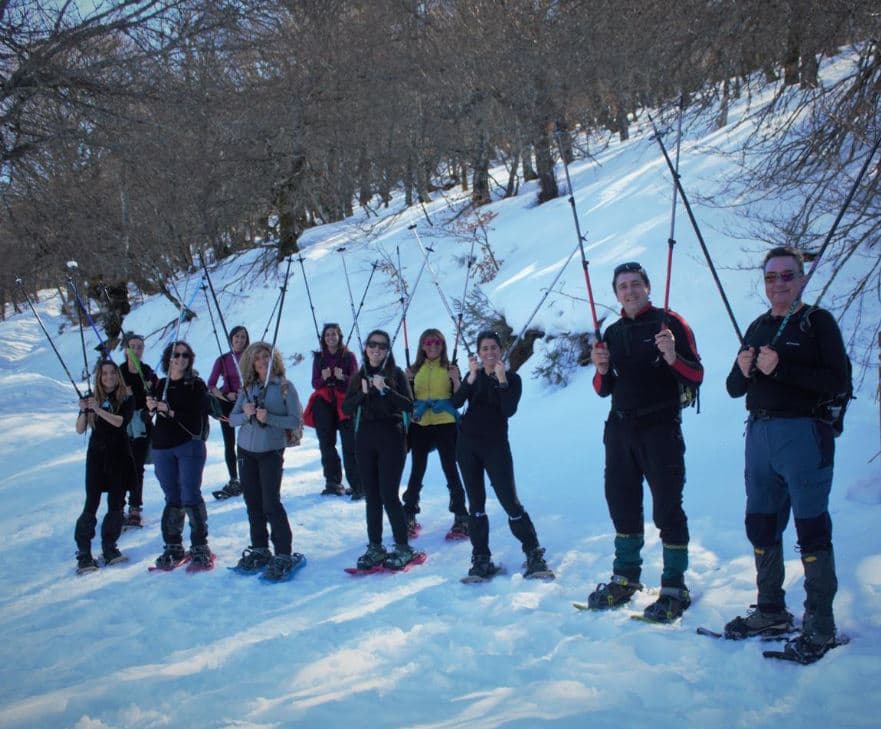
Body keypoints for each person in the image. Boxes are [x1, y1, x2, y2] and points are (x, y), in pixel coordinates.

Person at [725, 246, 848, 662]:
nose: (779, 283)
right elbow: (732, 388)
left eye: (787, 276)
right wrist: (742, 370)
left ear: (801, 279)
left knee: (811, 527)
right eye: (771, 277)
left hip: (804, 436)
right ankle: (772, 610)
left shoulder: (817, 323)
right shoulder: (758, 325)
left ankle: (820, 625)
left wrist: (784, 369)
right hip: (758, 436)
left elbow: (839, 382)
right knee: (760, 523)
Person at [587, 261, 702, 621]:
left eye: (636, 284)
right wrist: (602, 369)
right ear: (616, 293)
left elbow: (696, 375)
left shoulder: (669, 322)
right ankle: (626, 577)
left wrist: (671, 356)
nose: (630, 291)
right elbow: (604, 390)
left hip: (660, 428)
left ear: (648, 287)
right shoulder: (613, 331)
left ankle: (673, 584)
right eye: (623, 286)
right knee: (621, 504)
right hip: (620, 430)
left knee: (667, 507)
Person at [450, 330, 553, 580]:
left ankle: (533, 553)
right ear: (479, 353)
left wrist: (502, 380)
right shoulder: (472, 377)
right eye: (484, 349)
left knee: (510, 502)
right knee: (476, 505)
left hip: (495, 446)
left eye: (493, 348)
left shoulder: (512, 379)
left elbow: (508, 410)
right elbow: (455, 403)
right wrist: (470, 378)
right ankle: (481, 558)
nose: (489, 353)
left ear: (501, 350)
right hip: (467, 446)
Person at [342, 329, 420, 570]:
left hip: (391, 437)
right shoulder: (359, 376)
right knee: (371, 497)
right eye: (372, 345)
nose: (376, 349)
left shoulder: (395, 374)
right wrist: (362, 394)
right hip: (365, 438)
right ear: (365, 348)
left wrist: (386, 389)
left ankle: (403, 547)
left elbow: (408, 405)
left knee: (388, 494)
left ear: (388, 350)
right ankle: (375, 546)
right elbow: (346, 408)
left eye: (382, 346)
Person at [229, 342, 305, 581]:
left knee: (270, 502)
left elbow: (295, 421)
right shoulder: (247, 387)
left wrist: (268, 417)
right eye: (257, 358)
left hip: (271, 451)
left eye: (266, 357)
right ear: (251, 362)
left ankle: (283, 552)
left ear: (274, 360)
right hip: (245, 451)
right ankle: (260, 548)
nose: (262, 361)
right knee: (252, 502)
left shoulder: (284, 387)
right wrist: (246, 413)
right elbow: (231, 419)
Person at [146, 341, 212, 570]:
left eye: (185, 355)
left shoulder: (196, 385)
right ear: (168, 358)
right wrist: (151, 406)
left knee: (189, 494)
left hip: (189, 446)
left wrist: (169, 410)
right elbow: (149, 415)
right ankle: (173, 546)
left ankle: (200, 546)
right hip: (162, 447)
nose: (181, 359)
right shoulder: (161, 384)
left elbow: (197, 417)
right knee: (172, 496)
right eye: (176, 354)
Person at [402, 328, 469, 539]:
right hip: (421, 424)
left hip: (446, 423)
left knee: (450, 468)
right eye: (429, 342)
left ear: (443, 346)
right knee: (417, 470)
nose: (433, 346)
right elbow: (408, 400)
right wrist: (407, 381)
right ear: (422, 346)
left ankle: (461, 515)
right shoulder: (414, 370)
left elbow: (460, 399)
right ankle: (409, 514)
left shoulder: (450, 368)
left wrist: (457, 380)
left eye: (438, 342)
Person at [74, 360, 136, 573]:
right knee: (91, 503)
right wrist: (84, 411)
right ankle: (84, 553)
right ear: (99, 377)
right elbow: (80, 429)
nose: (109, 377)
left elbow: (120, 422)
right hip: (97, 456)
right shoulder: (91, 398)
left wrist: (98, 409)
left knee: (116, 504)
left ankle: (109, 547)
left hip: (119, 455)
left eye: (112, 373)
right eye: (104, 373)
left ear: (117, 375)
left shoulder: (127, 397)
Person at [304, 323, 361, 498]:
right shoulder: (319, 357)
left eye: (334, 334)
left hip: (344, 403)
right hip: (324, 402)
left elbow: (356, 381)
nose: (330, 337)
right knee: (326, 444)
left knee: (350, 444)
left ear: (340, 336)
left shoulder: (349, 357)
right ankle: (333, 481)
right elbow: (315, 383)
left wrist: (342, 377)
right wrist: (324, 378)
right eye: (327, 335)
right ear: (323, 338)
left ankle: (358, 484)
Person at [119, 332, 158, 528]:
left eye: (139, 347)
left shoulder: (148, 372)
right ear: (126, 350)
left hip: (142, 425)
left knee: (137, 468)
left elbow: (158, 396)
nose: (136, 350)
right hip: (123, 426)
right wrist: (122, 394)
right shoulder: (118, 372)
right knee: (120, 467)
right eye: (132, 346)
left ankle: (135, 507)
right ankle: (118, 506)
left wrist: (151, 390)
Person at [208, 325, 249, 498]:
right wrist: (225, 396)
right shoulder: (223, 359)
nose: (239, 340)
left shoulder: (251, 357)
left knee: (248, 440)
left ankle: (249, 475)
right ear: (231, 339)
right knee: (229, 442)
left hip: (247, 402)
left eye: (243, 337)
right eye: (236, 337)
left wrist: (245, 392)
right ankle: (234, 478)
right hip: (228, 404)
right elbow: (210, 385)